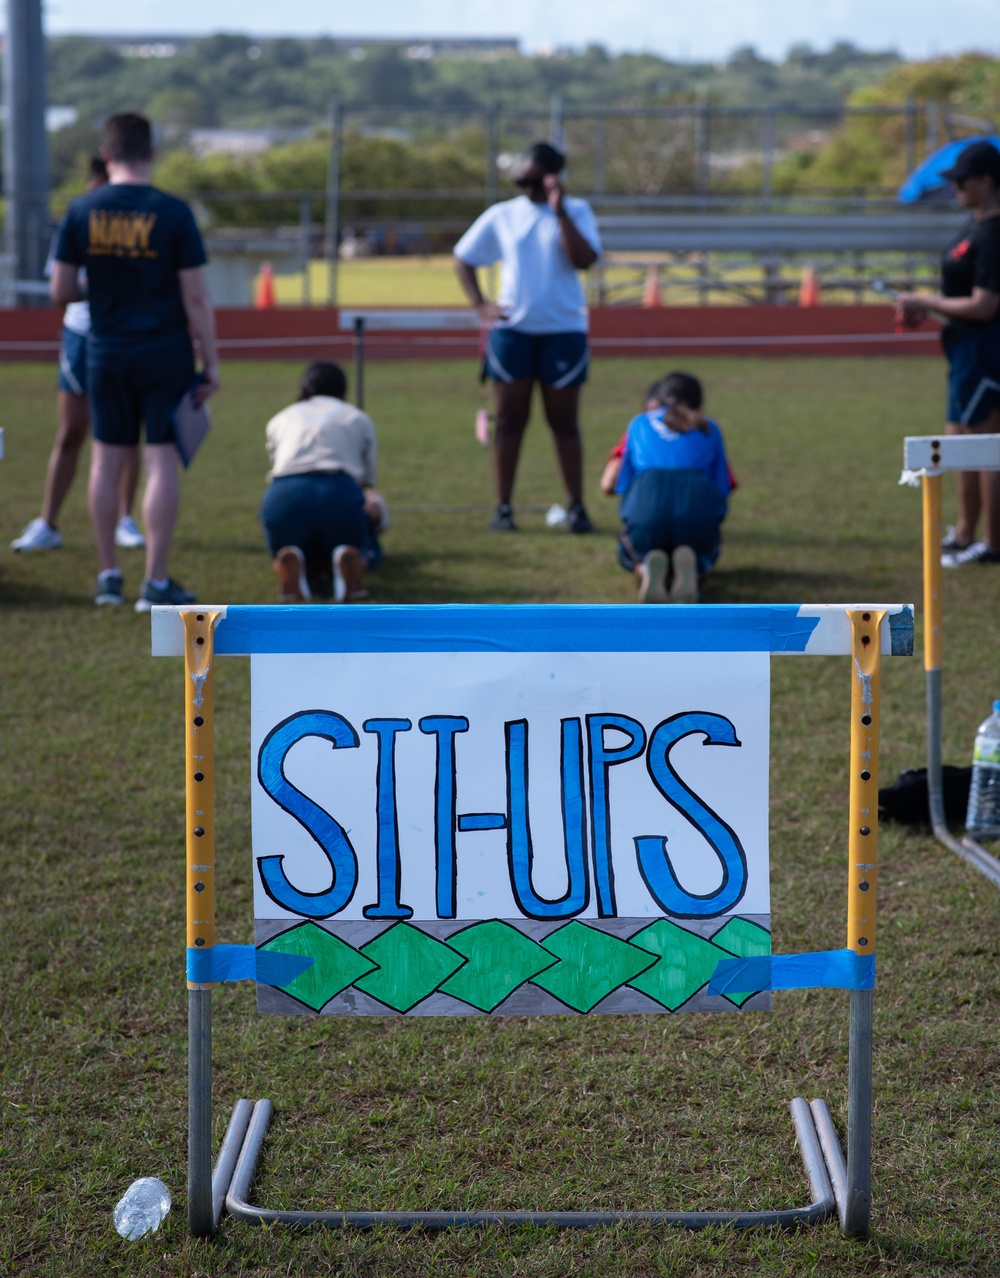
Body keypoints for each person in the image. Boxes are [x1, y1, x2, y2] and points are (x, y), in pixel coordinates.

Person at [49, 112, 219, 609]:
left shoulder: (81, 210)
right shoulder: (173, 213)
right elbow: (195, 299)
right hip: (164, 351)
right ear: (151, 154)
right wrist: (211, 363)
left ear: (106, 156)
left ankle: (108, 576)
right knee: (161, 460)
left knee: (105, 460)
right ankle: (155, 580)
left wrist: (103, 285)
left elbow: (61, 291)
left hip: (105, 351)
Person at [453, 141, 601, 533]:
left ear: (555, 179)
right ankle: (503, 507)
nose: (528, 189)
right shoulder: (503, 215)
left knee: (564, 422)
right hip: (513, 332)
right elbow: (463, 256)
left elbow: (584, 260)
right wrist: (481, 305)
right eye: (522, 181)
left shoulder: (578, 211)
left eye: (536, 181)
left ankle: (576, 507)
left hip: (563, 331)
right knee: (509, 421)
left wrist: (560, 211)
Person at [12, 157, 145, 555]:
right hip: (82, 335)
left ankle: (124, 518)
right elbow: (61, 286)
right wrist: (103, 284)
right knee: (71, 432)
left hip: (124, 337)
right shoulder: (78, 219)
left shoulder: (136, 226)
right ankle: (48, 522)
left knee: (125, 435)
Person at [897, 139, 1000, 568]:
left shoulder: (996, 234)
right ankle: (964, 532)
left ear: (986, 180)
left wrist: (927, 300)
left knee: (985, 446)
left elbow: (984, 305)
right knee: (958, 442)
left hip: (986, 352)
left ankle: (993, 543)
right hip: (963, 350)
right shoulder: (974, 225)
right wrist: (929, 308)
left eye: (960, 180)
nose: (954, 187)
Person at [261, 361, 388, 604]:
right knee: (365, 520)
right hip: (338, 490)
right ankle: (354, 559)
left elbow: (277, 462)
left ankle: (293, 561)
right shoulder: (358, 418)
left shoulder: (280, 418)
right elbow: (367, 482)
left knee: (293, 538)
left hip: (284, 495)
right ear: (343, 391)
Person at [602, 371, 734, 604]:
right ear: (699, 403)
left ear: (658, 400)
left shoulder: (639, 423)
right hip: (696, 499)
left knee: (630, 541)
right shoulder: (710, 428)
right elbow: (722, 489)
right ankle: (695, 569)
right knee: (707, 540)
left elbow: (622, 485)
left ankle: (644, 567)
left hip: (648, 496)